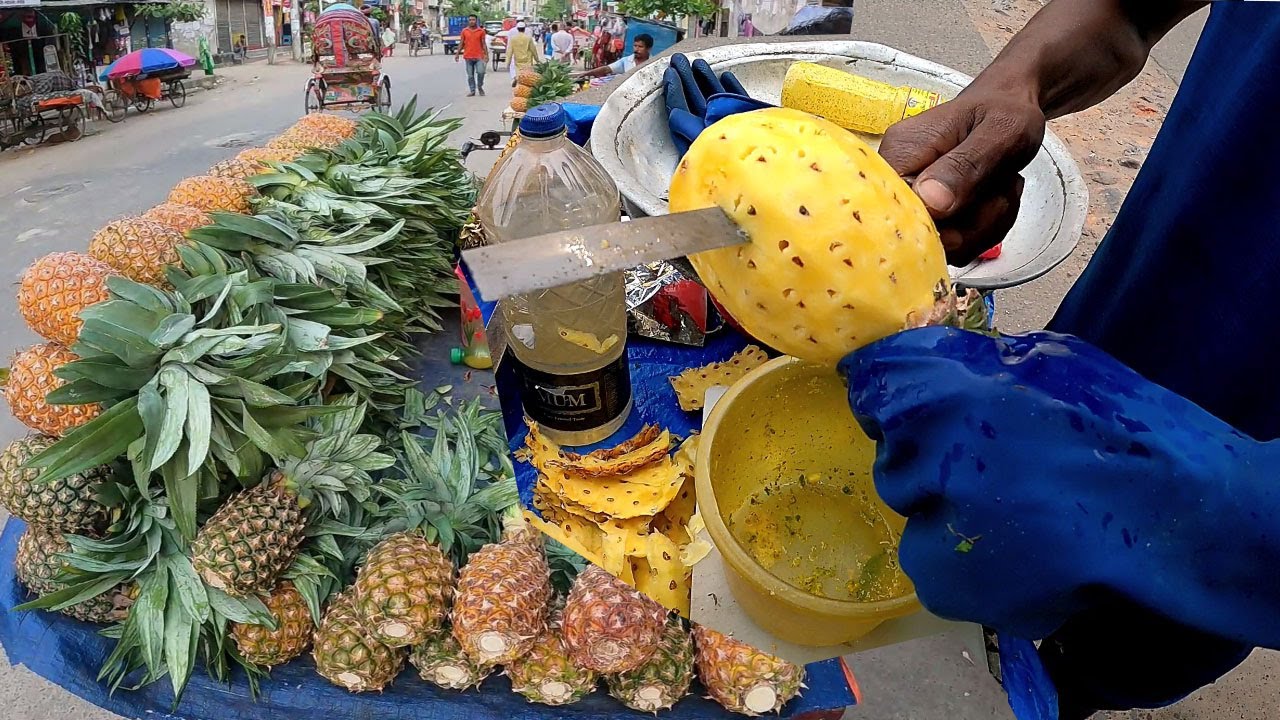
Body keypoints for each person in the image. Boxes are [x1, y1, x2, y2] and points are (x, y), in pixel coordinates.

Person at [832, 2, 1280, 718]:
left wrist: (1223, 503)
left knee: (1129, 648)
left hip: (1253, 500)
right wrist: (1020, 81)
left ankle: (1075, 686)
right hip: (1141, 307)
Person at [577, 33, 652, 79]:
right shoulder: (626, 61)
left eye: (640, 47)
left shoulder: (654, 62)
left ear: (648, 48)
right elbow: (606, 69)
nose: (636, 49)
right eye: (635, 46)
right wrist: (587, 73)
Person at [456, 14, 489, 97]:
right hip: (468, 56)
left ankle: (480, 86)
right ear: (468, 21)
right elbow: (461, 43)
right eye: (470, 20)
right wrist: (457, 54)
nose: (472, 21)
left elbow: (483, 43)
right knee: (470, 75)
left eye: (473, 20)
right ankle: (472, 90)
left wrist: (486, 55)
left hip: (479, 56)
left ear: (476, 21)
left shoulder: (481, 31)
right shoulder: (464, 31)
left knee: (481, 72)